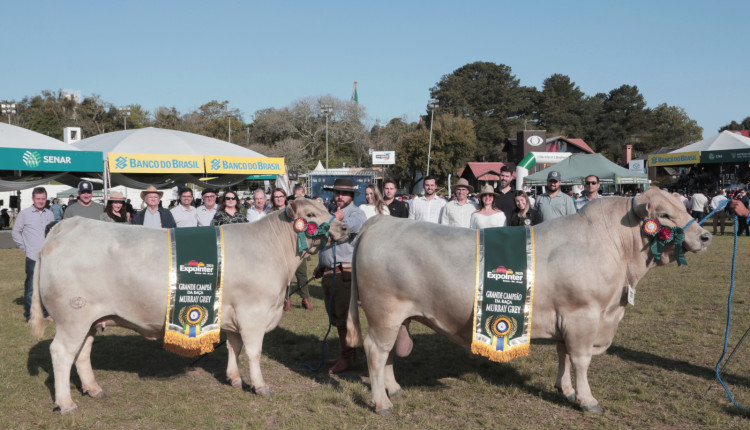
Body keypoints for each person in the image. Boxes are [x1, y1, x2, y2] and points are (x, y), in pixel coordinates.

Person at [313, 178, 367, 373]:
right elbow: (326, 242)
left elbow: (353, 227)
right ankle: (349, 353)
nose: (339, 197)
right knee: (336, 317)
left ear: (351, 196)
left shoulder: (356, 212)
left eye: (343, 193)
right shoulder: (331, 213)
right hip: (330, 271)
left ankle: (346, 357)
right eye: (337, 193)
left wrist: (339, 217)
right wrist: (321, 264)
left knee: (344, 317)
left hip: (345, 273)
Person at [11, 186, 54, 321]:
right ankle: (30, 315)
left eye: (43, 199)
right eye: (38, 199)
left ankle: (46, 313)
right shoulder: (24, 214)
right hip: (33, 257)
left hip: (49, 257)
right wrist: (26, 248)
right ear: (33, 199)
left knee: (46, 287)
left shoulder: (50, 213)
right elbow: (15, 232)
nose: (40, 201)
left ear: (46, 199)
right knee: (31, 287)